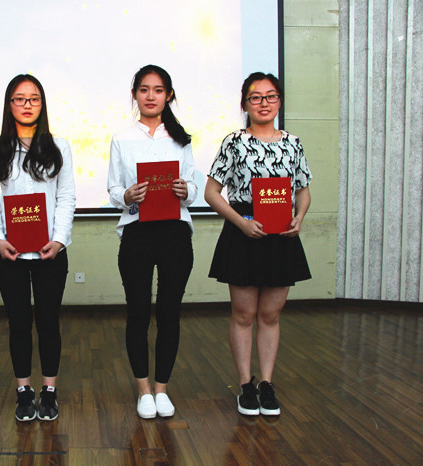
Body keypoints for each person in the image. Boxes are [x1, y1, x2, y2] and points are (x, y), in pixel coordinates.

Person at [204, 72, 312, 416]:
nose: (264, 103)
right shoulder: (234, 142)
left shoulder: (293, 143)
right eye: (255, 97)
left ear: (279, 100)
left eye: (270, 96)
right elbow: (211, 193)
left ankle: (267, 383)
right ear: (245, 104)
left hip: (282, 236)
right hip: (244, 233)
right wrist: (241, 223)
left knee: (270, 314)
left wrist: (299, 217)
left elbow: (303, 191)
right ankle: (245, 385)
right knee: (244, 314)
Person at [0, 74, 75, 422]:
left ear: (42, 104)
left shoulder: (59, 147)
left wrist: (59, 239)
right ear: (9, 105)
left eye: (34, 98)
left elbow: (66, 197)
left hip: (51, 252)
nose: (27, 104)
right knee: (18, 323)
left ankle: (49, 390)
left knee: (49, 323)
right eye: (19, 99)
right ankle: (23, 391)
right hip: (10, 253)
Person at [107, 65, 197, 420]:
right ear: (134, 95)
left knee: (170, 313)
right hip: (137, 232)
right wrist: (127, 195)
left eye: (158, 90)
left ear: (168, 95)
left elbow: (192, 187)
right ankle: (143, 389)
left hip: (175, 232)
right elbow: (114, 189)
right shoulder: (121, 138)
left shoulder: (181, 138)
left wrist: (186, 190)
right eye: (144, 90)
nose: (150, 96)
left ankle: (162, 389)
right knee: (138, 312)